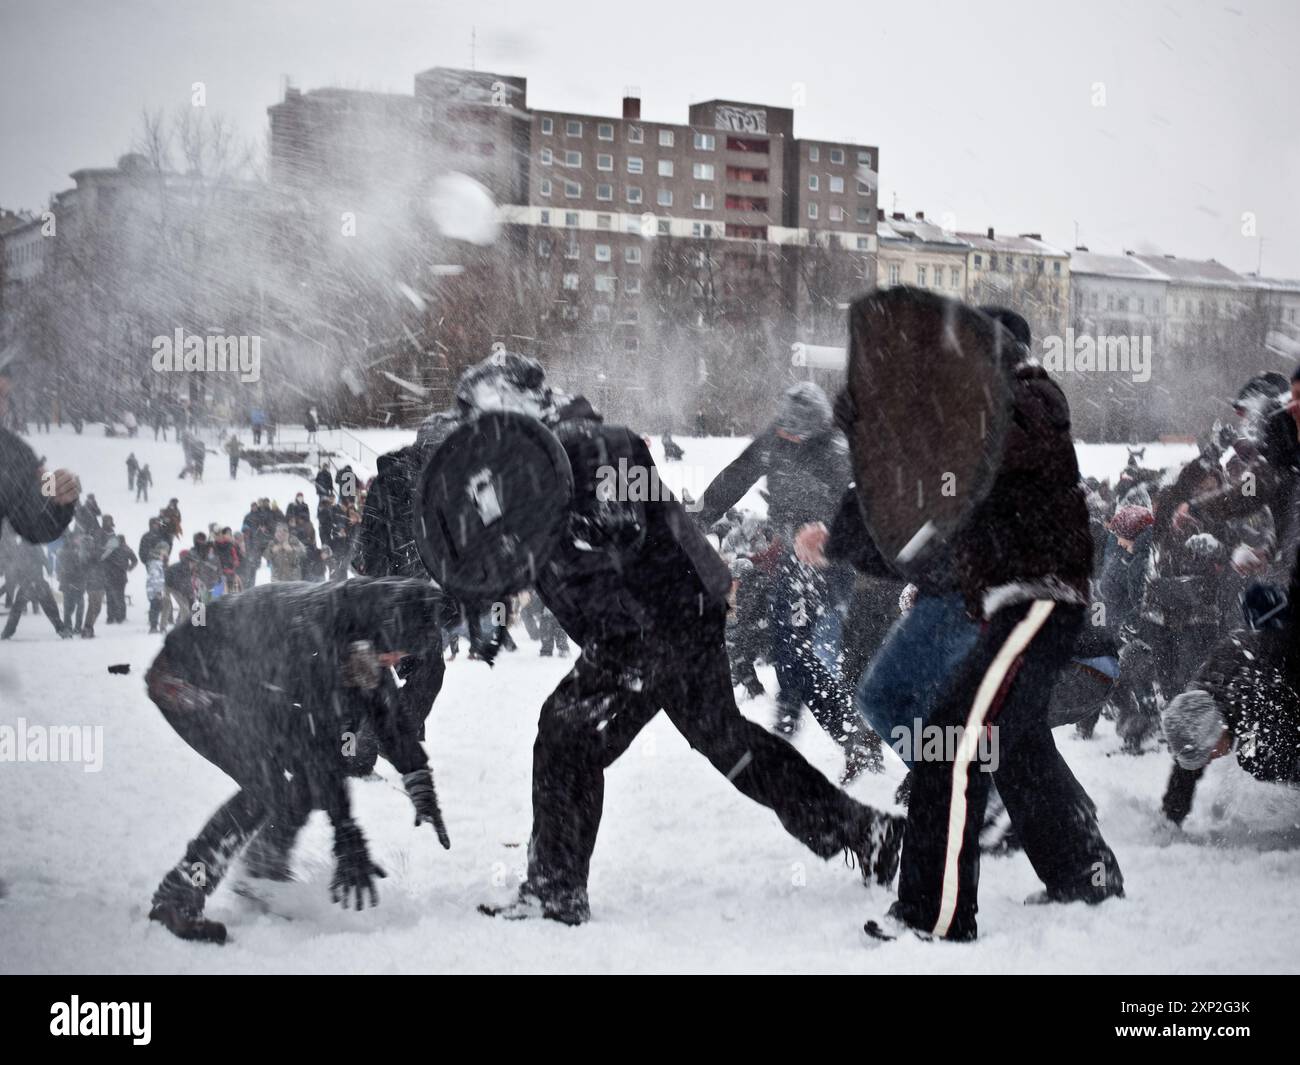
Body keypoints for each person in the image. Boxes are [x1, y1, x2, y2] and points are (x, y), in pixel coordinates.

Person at [437, 354, 903, 927]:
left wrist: (575, 533)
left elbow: (619, 527)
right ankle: (871, 833)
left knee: (566, 734)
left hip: (653, 619)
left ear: (511, 405)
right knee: (727, 742)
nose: (468, 428)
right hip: (662, 614)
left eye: (473, 413)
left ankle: (556, 891)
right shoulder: (522, 468)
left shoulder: (594, 444)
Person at [827, 295, 1123, 942]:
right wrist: (866, 429)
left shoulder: (1032, 400)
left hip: (1038, 599)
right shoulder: (984, 410)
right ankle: (1084, 868)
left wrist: (894, 413)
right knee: (1002, 743)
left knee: (953, 744)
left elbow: (968, 453)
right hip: (1008, 605)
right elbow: (918, 492)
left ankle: (935, 914)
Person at [145, 578, 449, 943]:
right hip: (184, 679)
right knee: (266, 785)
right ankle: (178, 895)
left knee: (305, 775)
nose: (396, 661)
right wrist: (347, 835)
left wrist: (419, 780)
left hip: (246, 683)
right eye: (397, 652)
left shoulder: (362, 628)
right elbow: (317, 744)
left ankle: (263, 868)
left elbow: (386, 711)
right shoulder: (319, 636)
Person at [695, 381, 881, 781]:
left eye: (798, 433)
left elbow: (860, 506)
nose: (790, 437)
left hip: (826, 559)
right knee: (789, 645)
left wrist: (831, 541)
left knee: (792, 644)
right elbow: (735, 476)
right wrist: (697, 518)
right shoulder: (774, 440)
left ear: (816, 429)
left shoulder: (835, 452)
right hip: (791, 555)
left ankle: (832, 727)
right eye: (786, 431)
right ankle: (817, 723)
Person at [0, 363, 81, 546]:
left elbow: (35, 527)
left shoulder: (16, 455)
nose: (2, 407)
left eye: (4, 397)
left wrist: (59, 501)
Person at [0, 533, 71, 640]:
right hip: (38, 582)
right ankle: (62, 630)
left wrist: (19, 576)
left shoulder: (21, 548)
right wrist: (48, 568)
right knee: (50, 608)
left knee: (17, 609)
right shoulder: (35, 547)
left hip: (28, 584)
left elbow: (17, 566)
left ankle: (8, 632)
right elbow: (44, 561)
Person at [99, 516, 138, 624]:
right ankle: (120, 616)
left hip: (109, 575)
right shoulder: (126, 548)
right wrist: (129, 567)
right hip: (121, 576)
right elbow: (135, 560)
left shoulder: (110, 549)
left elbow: (102, 559)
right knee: (120, 596)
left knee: (110, 597)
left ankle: (110, 617)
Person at [146, 544, 170, 633]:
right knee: (154, 608)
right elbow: (154, 578)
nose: (166, 554)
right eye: (164, 551)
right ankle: (153, 627)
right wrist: (158, 591)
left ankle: (155, 626)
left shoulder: (159, 563)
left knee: (157, 607)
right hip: (154, 590)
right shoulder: (154, 563)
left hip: (157, 589)